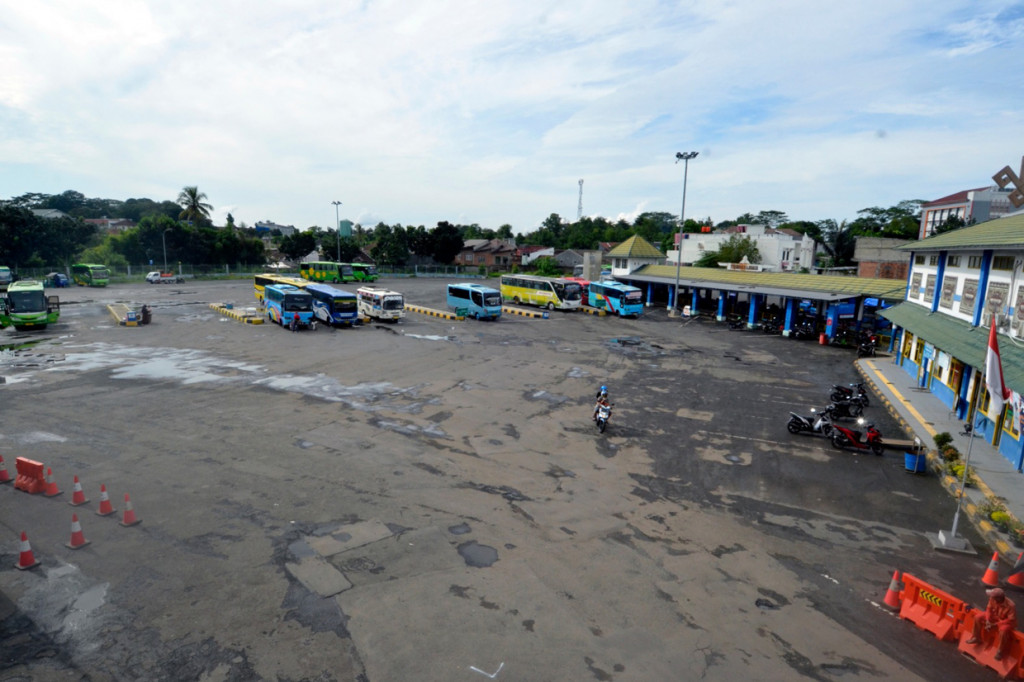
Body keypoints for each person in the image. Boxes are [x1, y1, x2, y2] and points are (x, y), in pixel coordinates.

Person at [967, 587, 1017, 660]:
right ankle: (976, 637)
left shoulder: (1011, 605)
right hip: (995, 616)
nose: (990, 597)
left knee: (1003, 631)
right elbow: (989, 609)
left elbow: (1010, 619)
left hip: (1005, 621)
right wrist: (987, 620)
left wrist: (996, 624)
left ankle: (1000, 650)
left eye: (993, 597)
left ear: (999, 599)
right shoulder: (992, 599)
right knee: (978, 617)